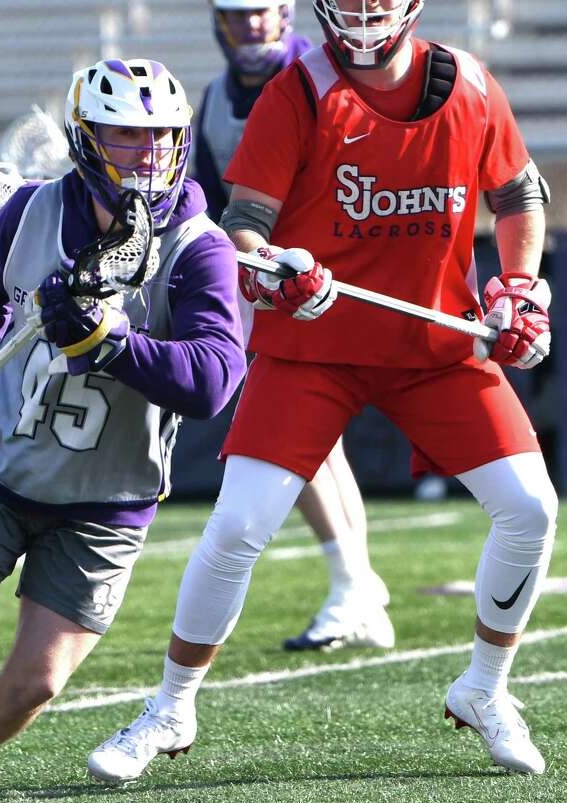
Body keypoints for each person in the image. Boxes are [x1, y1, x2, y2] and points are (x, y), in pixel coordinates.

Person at [87, 0, 557, 785]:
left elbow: (516, 193)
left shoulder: (471, 84)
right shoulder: (298, 91)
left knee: (530, 508)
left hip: (434, 345)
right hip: (312, 348)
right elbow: (244, 224)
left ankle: (484, 688)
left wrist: (518, 287)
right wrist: (274, 266)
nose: (365, 12)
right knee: (237, 524)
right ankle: (170, 705)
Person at [0, 57, 246, 803]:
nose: (148, 153)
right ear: (85, 137)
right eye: (125, 136)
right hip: (1, 467)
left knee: (34, 682)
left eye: (162, 137)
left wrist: (113, 342)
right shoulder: (30, 212)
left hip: (106, 499)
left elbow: (213, 380)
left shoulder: (198, 248)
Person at [195, 0, 393, 651]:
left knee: (290, 435)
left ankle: (353, 586)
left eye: (259, 12)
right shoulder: (213, 98)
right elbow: (203, 204)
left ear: (284, 14)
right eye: (235, 14)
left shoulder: (321, 78)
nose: (249, 25)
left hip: (321, 282)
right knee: (315, 444)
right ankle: (357, 587)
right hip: (259, 287)